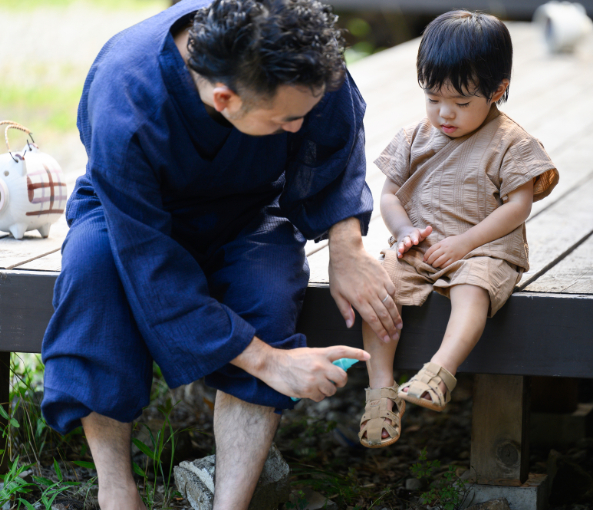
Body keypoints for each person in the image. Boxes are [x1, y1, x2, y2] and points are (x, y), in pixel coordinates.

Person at [39, 0, 403, 508]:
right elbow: (151, 269)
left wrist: (346, 248)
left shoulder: (299, 50)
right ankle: (116, 490)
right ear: (225, 98)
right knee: (93, 274)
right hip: (130, 212)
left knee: (270, 290)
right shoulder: (125, 96)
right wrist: (271, 362)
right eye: (285, 119)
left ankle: (230, 503)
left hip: (251, 204)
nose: (299, 127)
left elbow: (333, 135)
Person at [357, 11, 559, 448]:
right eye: (433, 98)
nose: (445, 113)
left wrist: (466, 243)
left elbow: (518, 206)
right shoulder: (416, 136)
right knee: (378, 290)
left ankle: (439, 373)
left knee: (474, 287)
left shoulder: (511, 142)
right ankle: (381, 390)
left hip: (483, 247)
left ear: (498, 91)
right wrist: (404, 228)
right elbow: (389, 195)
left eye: (462, 103)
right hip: (420, 247)